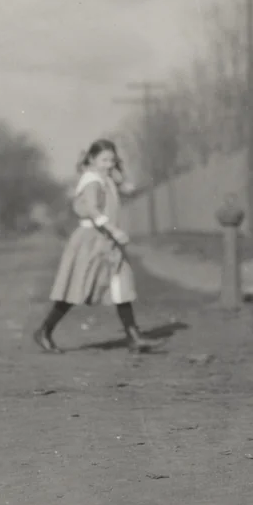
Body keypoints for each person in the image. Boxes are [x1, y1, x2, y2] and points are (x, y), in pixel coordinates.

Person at [31, 139, 162, 354]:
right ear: (92, 159)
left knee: (122, 284)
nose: (109, 164)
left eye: (112, 159)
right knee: (77, 288)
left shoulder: (105, 177)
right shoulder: (92, 180)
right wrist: (114, 230)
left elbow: (124, 185)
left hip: (107, 239)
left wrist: (117, 173)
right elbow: (92, 210)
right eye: (104, 160)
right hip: (91, 240)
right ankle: (45, 330)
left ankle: (133, 336)